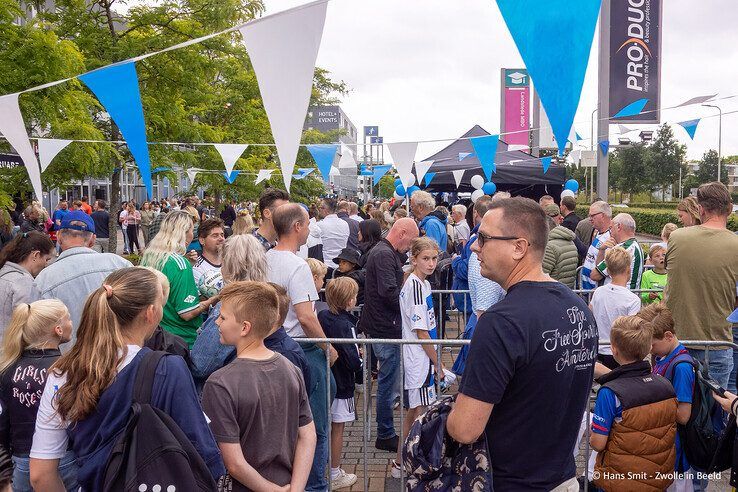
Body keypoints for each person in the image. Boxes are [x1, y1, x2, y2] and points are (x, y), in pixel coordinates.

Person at [446, 197, 597, 491]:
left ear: (519, 247)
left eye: (484, 238)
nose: (475, 246)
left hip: (509, 482)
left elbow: (465, 429)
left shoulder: (501, 322)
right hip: (564, 478)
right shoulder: (579, 309)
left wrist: (445, 417)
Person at [201, 282, 315, 492]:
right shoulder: (290, 368)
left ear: (245, 327)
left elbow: (233, 463)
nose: (217, 322)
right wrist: (296, 488)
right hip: (287, 481)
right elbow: (308, 435)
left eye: (223, 317)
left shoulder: (219, 383)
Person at [265, 203, 338, 492]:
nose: (309, 229)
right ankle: (315, 485)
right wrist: (328, 347)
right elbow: (307, 316)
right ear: (296, 227)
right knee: (315, 425)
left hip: (271, 346)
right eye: (307, 224)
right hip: (300, 350)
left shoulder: (266, 258)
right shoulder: (297, 266)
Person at [590, 315, 677, 492]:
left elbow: (598, 443)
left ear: (613, 349)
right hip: (658, 478)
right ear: (648, 349)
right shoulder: (665, 385)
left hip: (619, 480)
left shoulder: (610, 392)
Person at [665, 182, 738, 390]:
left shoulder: (677, 237)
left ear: (700, 209)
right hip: (718, 343)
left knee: (676, 410)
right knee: (716, 412)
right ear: (729, 209)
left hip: (676, 342)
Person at [0, 300, 76, 491]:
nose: (71, 322)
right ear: (58, 329)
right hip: (63, 456)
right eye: (68, 318)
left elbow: (2, 423)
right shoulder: (68, 368)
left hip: (22, 457)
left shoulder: (8, 369)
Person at [359, 218, 419, 452]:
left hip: (385, 325)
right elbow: (388, 292)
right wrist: (409, 309)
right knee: (388, 382)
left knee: (389, 381)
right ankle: (384, 433)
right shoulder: (383, 254)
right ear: (401, 232)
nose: (410, 245)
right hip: (385, 326)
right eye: (411, 240)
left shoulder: (386, 252)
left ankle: (386, 431)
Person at [30, 211, 131, 348]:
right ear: (93, 239)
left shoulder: (44, 280)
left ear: (59, 237)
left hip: (69, 363)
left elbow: (38, 331)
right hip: (119, 358)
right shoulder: (119, 264)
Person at [393, 237, 445, 478]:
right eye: (425, 259)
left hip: (423, 356)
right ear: (414, 259)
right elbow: (420, 330)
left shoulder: (423, 284)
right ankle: (405, 461)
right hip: (418, 357)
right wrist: (437, 362)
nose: (431, 263)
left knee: (417, 411)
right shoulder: (414, 285)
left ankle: (403, 461)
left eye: (434, 258)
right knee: (419, 413)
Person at [189, 234, 271, 386]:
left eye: (223, 261)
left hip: (222, 389)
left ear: (230, 264)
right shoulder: (266, 299)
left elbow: (201, 364)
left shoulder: (230, 306)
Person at [139, 211, 218, 347]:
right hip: (182, 339)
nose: (192, 235)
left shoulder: (149, 257)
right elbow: (187, 312)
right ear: (184, 233)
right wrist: (214, 299)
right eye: (192, 230)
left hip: (156, 335)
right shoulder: (180, 264)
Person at [643, 302, 695, 490]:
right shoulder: (662, 356)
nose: (649, 349)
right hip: (664, 449)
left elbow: (683, 415)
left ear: (668, 336)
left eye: (652, 344)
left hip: (677, 457)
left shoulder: (681, 367)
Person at [318, 277, 361, 490]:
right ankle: (334, 472)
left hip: (326, 379)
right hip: (343, 383)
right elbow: (353, 361)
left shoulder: (323, 316)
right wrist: (361, 359)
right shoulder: (346, 325)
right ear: (349, 300)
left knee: (324, 426)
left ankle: (323, 469)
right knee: (338, 428)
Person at [590, 247, 642, 370]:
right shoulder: (633, 299)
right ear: (628, 270)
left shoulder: (598, 292)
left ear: (608, 270)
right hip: (620, 353)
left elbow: (589, 314)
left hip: (598, 348)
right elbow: (632, 331)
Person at [0, 232, 55, 334]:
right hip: (11, 347)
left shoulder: (4, 272)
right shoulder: (23, 282)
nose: (46, 264)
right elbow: (29, 327)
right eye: (46, 259)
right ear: (36, 255)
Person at [590, 212, 643, 289]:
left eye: (611, 228)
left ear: (618, 227)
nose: (610, 232)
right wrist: (602, 250)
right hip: (626, 295)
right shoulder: (635, 245)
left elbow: (594, 275)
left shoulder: (623, 249)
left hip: (617, 297)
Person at [542, 204, 578, 288]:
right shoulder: (570, 241)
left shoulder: (550, 247)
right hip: (567, 290)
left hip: (552, 291)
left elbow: (541, 273)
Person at [581, 201, 613, 290]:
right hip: (586, 288)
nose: (590, 219)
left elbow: (605, 267)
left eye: (592, 216)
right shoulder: (598, 233)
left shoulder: (610, 238)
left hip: (594, 290)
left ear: (602, 216)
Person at [192, 218, 225, 295]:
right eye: (215, 236)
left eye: (222, 235)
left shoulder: (230, 262)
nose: (221, 239)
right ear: (202, 240)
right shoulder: (197, 269)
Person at [317, 198, 350, 270]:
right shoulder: (345, 224)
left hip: (325, 266)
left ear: (324, 209)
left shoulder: (319, 225)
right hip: (340, 265)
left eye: (320, 207)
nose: (318, 209)